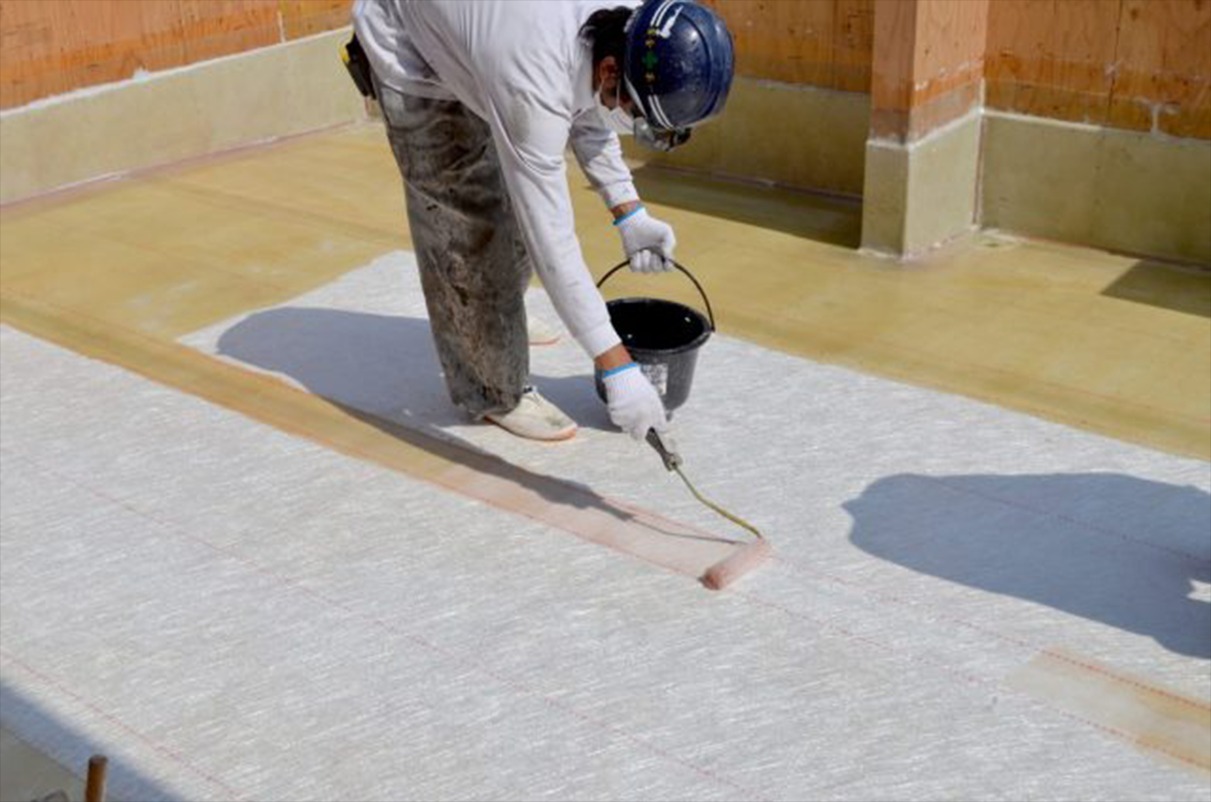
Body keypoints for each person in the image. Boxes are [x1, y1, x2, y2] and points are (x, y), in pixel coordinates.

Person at [351, 0, 734, 442]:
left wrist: (630, 212)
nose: (638, 128)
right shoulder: (533, 79)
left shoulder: (637, 27)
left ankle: (498, 316)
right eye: (641, 117)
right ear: (611, 70)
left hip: (489, 39)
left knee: (511, 200)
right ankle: (492, 388)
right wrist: (618, 366)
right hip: (410, 47)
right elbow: (550, 237)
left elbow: (592, 110)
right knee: (470, 222)